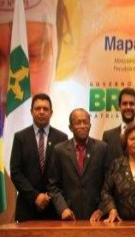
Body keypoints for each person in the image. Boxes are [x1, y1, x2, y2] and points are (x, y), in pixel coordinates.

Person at [9, 93, 68, 221]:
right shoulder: (20, 137)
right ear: (31, 112)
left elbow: (64, 173)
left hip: (54, 209)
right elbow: (15, 172)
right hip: (27, 207)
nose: (41, 112)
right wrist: (35, 196)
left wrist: (49, 197)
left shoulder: (62, 138)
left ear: (51, 113)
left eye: (45, 109)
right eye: (37, 108)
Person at [47, 108, 109, 221]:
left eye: (85, 122)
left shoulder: (102, 148)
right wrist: (63, 209)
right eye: (78, 122)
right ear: (70, 127)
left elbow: (108, 184)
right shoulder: (59, 150)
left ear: (90, 125)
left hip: (96, 216)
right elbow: (53, 186)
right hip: (69, 216)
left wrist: (102, 209)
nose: (82, 126)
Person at [102, 87, 135, 160]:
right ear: (119, 106)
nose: (128, 107)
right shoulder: (108, 136)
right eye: (124, 103)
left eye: (131, 104)